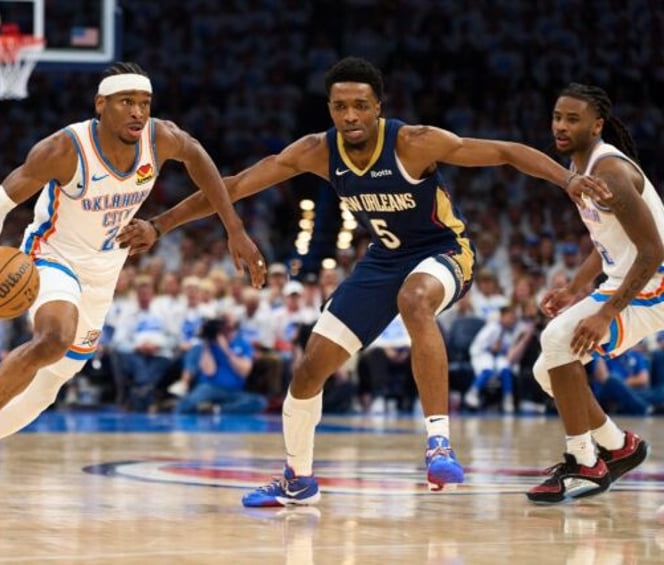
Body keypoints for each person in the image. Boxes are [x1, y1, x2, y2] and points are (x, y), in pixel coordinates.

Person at [117, 57, 609, 506]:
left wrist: (566, 181)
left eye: (360, 106)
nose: (349, 115)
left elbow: (504, 152)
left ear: (378, 107)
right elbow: (236, 186)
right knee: (310, 369)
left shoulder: (414, 142)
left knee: (415, 300)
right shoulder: (316, 151)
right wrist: (160, 225)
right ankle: (297, 478)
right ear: (329, 108)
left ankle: (439, 442)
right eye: (340, 106)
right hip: (383, 260)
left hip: (444, 251)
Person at [0, 62, 267, 507]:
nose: (138, 113)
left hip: (105, 270)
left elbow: (203, 164)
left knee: (48, 388)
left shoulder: (161, 139)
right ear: (101, 105)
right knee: (53, 339)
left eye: (144, 103)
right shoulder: (64, 148)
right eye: (126, 103)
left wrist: (230, 229)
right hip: (51, 257)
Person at [525, 85, 664, 503]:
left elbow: (653, 250)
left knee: (556, 340)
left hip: (653, 286)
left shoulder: (611, 174)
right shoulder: (580, 168)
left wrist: (606, 314)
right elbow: (605, 239)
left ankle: (584, 463)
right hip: (626, 282)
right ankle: (619, 446)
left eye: (573, 119)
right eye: (557, 117)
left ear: (596, 125)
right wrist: (574, 288)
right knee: (546, 371)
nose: (561, 126)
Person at [173, 312, 267, 415]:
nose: (228, 330)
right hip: (210, 387)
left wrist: (225, 349)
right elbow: (209, 372)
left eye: (231, 327)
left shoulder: (242, 344)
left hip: (234, 391)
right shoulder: (208, 345)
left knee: (259, 402)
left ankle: (216, 409)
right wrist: (207, 342)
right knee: (185, 405)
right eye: (224, 326)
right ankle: (202, 404)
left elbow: (244, 372)